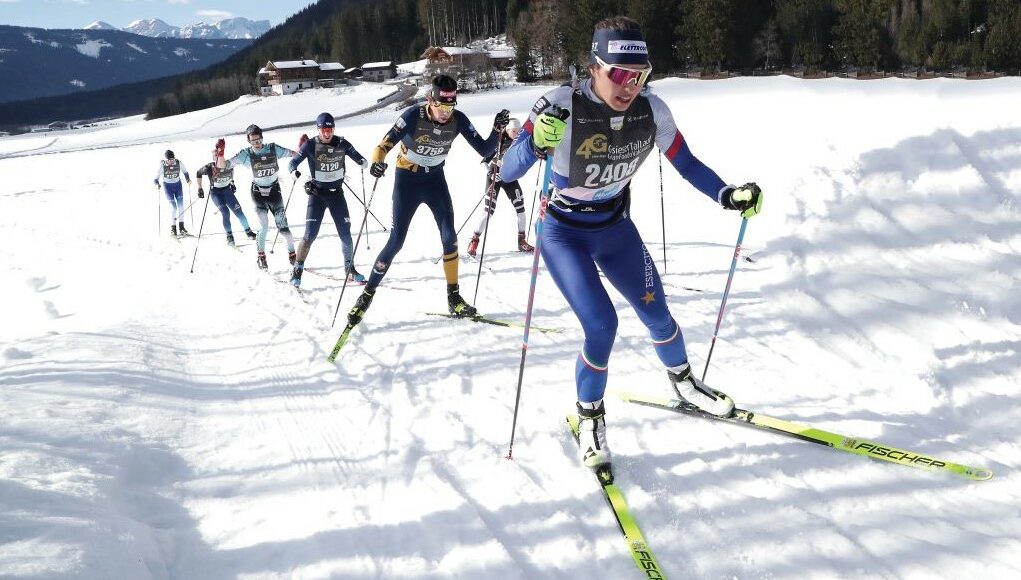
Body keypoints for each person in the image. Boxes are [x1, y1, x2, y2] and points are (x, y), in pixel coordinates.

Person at [500, 16, 764, 470]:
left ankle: (683, 382)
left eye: (639, 76)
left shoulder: (652, 111)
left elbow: (687, 162)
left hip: (615, 227)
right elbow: (506, 171)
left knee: (657, 312)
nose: (629, 86)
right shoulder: (559, 106)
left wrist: (726, 194)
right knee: (601, 326)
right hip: (564, 233)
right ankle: (591, 417)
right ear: (593, 68)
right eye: (619, 74)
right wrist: (533, 146)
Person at [346, 74, 510, 328]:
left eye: (451, 106)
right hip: (407, 182)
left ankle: (454, 298)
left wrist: (497, 131)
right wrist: (377, 164)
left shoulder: (459, 121)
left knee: (449, 237)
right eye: (441, 106)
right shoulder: (413, 116)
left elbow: (485, 150)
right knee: (396, 240)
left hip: (434, 180)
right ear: (429, 100)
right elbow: (382, 147)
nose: (446, 113)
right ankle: (367, 295)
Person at [286, 112, 370, 287]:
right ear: (318, 129)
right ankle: (298, 269)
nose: (327, 133)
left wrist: (362, 162)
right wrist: (295, 174)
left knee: (346, 234)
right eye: (324, 129)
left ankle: (350, 269)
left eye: (330, 129)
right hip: (317, 195)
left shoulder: (342, 143)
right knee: (309, 235)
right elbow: (292, 163)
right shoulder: (310, 145)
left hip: (336, 195)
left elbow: (358, 156)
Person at [217, 124, 299, 270]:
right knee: (264, 226)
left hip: (274, 192)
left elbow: (293, 154)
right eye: (253, 141)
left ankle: (292, 254)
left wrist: (303, 148)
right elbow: (223, 166)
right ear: (249, 141)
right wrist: (220, 152)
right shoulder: (245, 155)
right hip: (258, 194)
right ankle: (261, 256)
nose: (257, 143)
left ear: (262, 137)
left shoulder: (273, 149)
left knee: (283, 227)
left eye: (259, 140)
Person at [467, 117, 535, 256]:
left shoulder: (520, 143)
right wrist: (491, 172)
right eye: (513, 131)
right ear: (507, 130)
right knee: (488, 212)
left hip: (510, 179)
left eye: (518, 130)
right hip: (494, 180)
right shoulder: (498, 142)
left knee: (521, 210)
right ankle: (474, 240)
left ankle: (522, 241)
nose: (516, 133)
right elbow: (485, 160)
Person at [195, 139, 257, 246]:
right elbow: (198, 173)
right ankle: (229, 236)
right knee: (225, 212)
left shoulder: (228, 164)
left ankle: (248, 231)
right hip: (216, 193)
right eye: (215, 156)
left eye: (218, 155)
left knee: (239, 212)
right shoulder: (209, 167)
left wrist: (232, 182)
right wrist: (199, 188)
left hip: (227, 191)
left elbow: (232, 172)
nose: (217, 158)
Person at [154, 149, 192, 237]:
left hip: (178, 186)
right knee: (174, 208)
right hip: (168, 187)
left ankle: (182, 227)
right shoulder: (162, 166)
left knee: (181, 206)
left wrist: (188, 179)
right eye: (169, 160)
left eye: (172, 159)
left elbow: (185, 172)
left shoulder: (178, 163)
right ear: (166, 160)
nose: (171, 161)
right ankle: (173, 228)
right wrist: (157, 185)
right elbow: (155, 179)